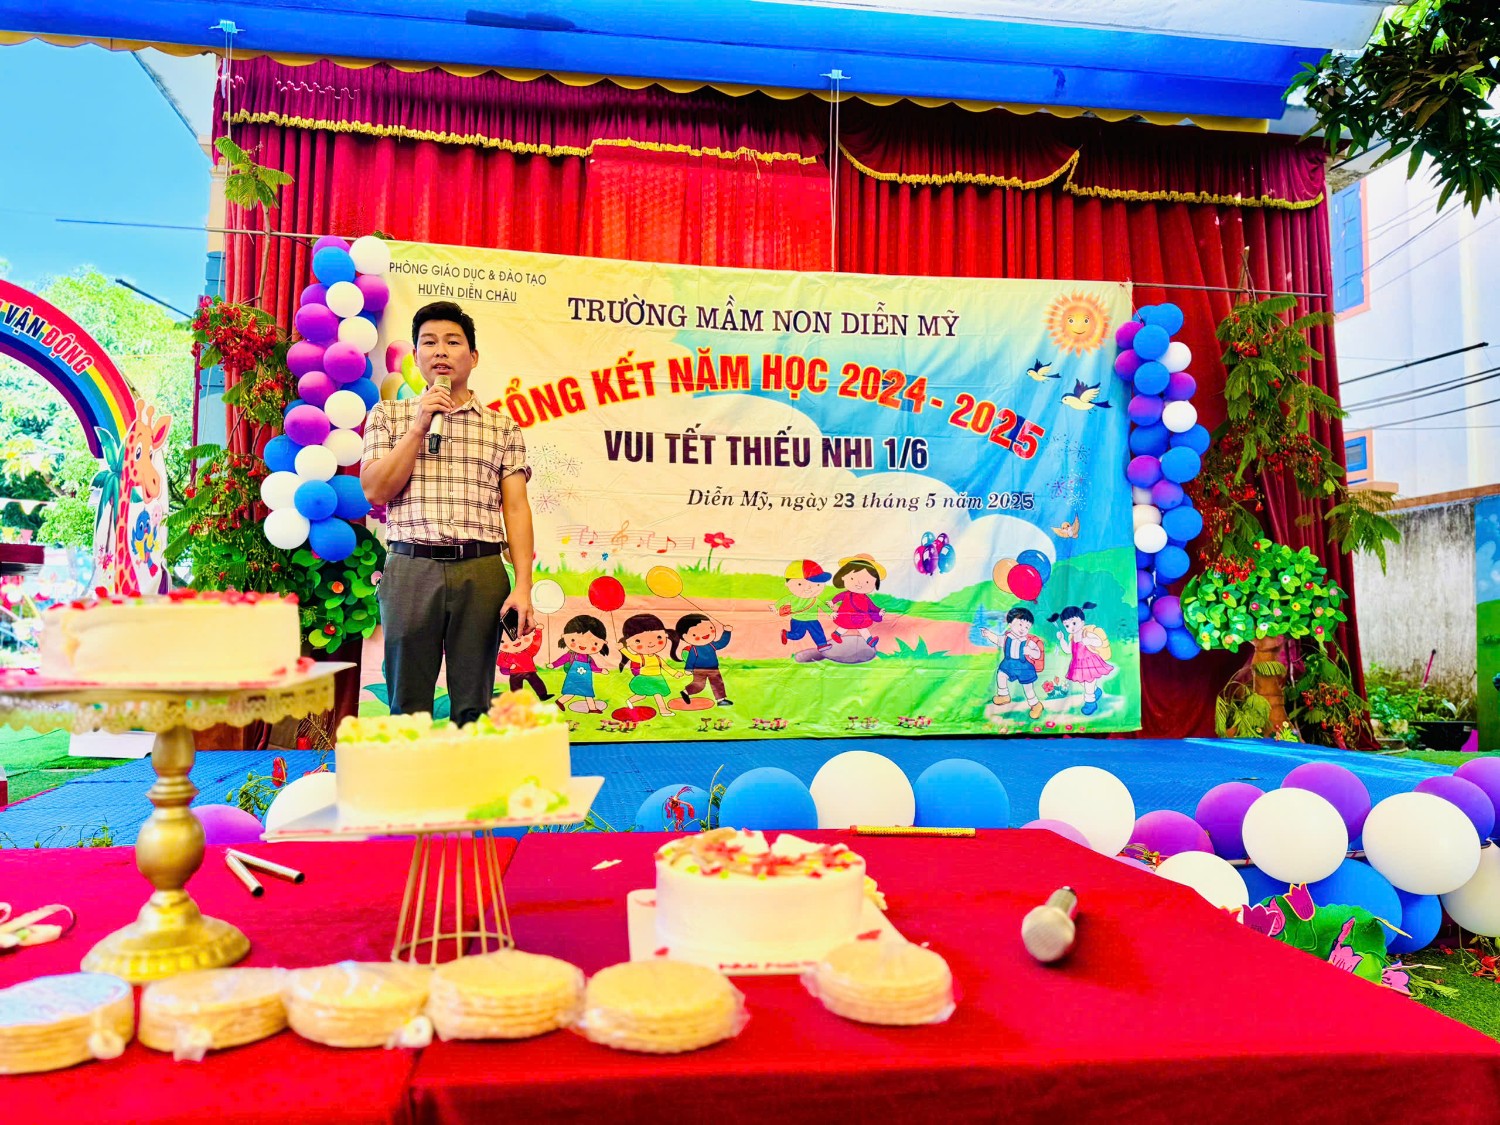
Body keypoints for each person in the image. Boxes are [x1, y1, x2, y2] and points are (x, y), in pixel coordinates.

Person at [361, 300, 535, 727]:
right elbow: (376, 490)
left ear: (473, 357)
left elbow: (516, 508)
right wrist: (419, 425)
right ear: (416, 356)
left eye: (453, 342)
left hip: (481, 569)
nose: (440, 350)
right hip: (410, 567)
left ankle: (468, 767)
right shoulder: (388, 415)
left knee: (474, 704)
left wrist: (524, 586)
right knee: (407, 701)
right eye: (429, 342)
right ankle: (410, 770)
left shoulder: (503, 427)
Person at [981, 607, 1046, 719]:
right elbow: (997, 640)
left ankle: (1036, 705)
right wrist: (988, 634)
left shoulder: (1028, 641)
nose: (1023, 629)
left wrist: (1030, 651)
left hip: (1023, 667)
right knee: (1001, 675)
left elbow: (1038, 654)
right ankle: (1004, 695)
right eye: (1020, 624)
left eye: (1027, 627)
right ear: (1010, 623)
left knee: (1028, 688)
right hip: (1009, 664)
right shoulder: (1007, 638)